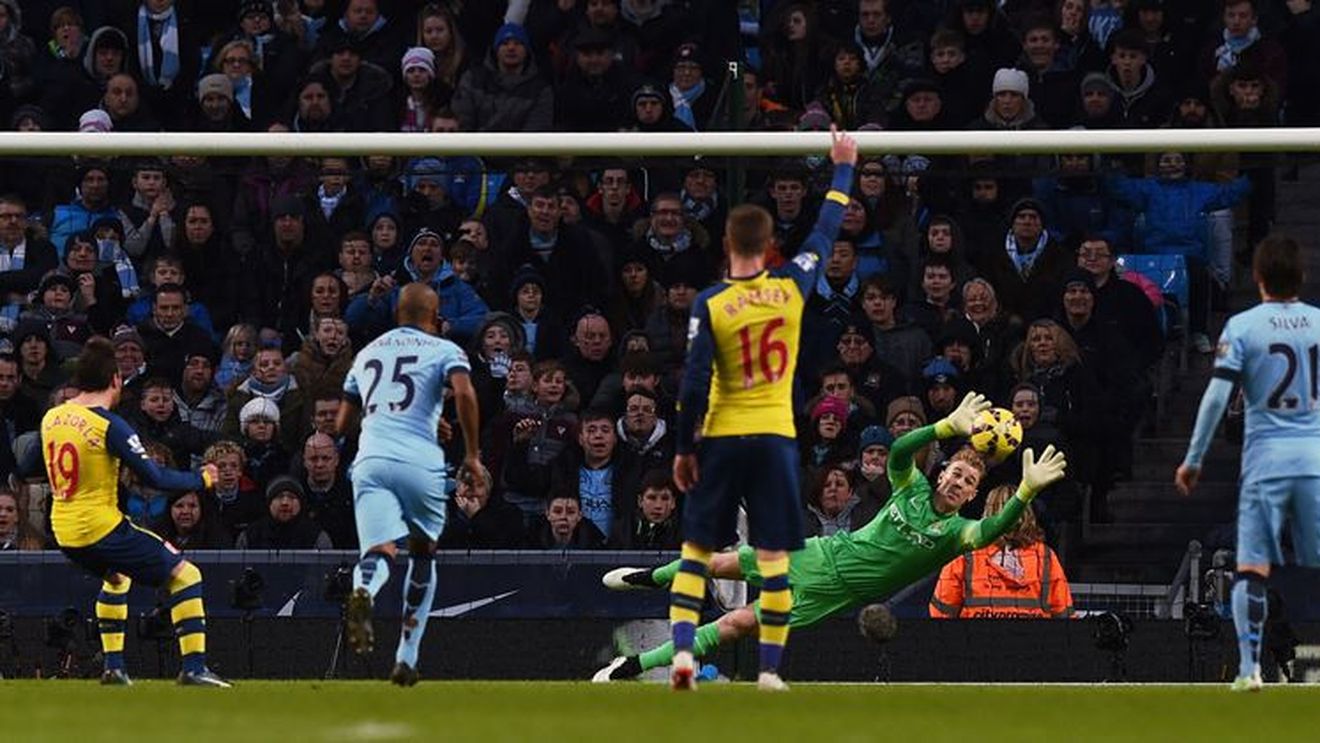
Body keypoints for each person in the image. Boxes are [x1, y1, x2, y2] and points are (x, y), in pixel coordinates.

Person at [595, 391, 1068, 683]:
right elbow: (900, 452)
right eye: (955, 473)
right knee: (722, 563)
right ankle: (651, 576)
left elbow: (992, 529)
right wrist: (943, 426)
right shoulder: (914, 487)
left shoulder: (958, 532)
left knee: (735, 624)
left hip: (831, 593)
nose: (957, 482)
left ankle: (633, 666)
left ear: (971, 494)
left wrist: (1025, 490)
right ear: (942, 473)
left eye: (967, 481)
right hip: (820, 552)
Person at [662, 126, 857, 692]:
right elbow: (826, 229)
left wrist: (682, 448)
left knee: (697, 553)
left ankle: (681, 658)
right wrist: (842, 167)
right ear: (771, 243)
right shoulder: (794, 284)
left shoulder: (712, 301)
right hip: (774, 437)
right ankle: (770, 671)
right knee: (773, 560)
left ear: (727, 242)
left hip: (723, 436)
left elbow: (693, 382)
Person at [39, 337, 228, 687]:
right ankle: (195, 668)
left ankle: (114, 667)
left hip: (63, 529)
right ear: (115, 380)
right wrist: (202, 479)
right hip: (100, 528)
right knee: (187, 576)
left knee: (116, 578)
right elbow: (154, 477)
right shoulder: (109, 425)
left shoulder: (52, 417)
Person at [1176, 235, 1320, 693]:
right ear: (1301, 276)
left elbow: (1217, 396)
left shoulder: (1242, 326)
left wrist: (1194, 458)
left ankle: (1250, 667)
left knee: (1252, 567)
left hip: (1266, 460)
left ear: (1257, 279)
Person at [336, 283, 480, 686]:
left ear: (396, 314)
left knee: (380, 551)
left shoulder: (368, 353)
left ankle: (364, 589)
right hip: (420, 461)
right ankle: (406, 656)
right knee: (422, 551)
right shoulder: (445, 350)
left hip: (371, 460)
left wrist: (381, 418)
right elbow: (465, 393)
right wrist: (472, 454)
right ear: (435, 317)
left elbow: (342, 424)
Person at [929, 484, 1074, 619]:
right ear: (1027, 513)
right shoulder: (1045, 557)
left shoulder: (965, 553)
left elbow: (940, 614)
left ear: (989, 511)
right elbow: (1064, 616)